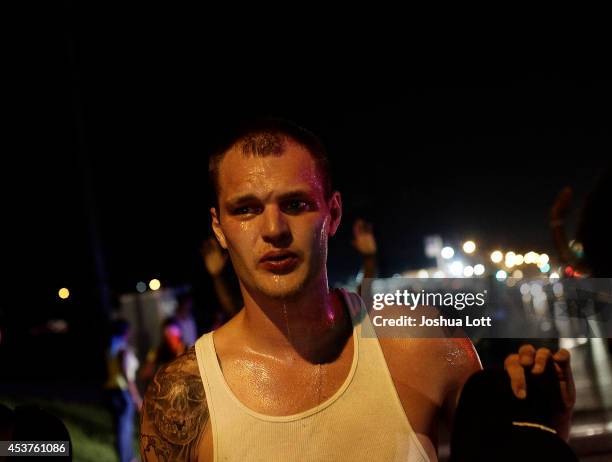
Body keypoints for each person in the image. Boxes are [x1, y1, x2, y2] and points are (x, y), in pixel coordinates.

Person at [140, 118, 575, 461]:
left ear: (332, 213)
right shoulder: (182, 398)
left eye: (295, 205)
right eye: (247, 210)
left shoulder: (418, 343)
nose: (273, 230)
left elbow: (505, 450)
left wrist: (542, 432)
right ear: (219, 227)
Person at [104, 318, 142, 462]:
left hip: (112, 390)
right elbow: (127, 376)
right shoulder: (122, 350)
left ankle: (128, 457)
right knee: (125, 428)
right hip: (122, 390)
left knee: (122, 427)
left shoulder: (111, 347)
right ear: (126, 331)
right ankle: (127, 459)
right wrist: (136, 397)